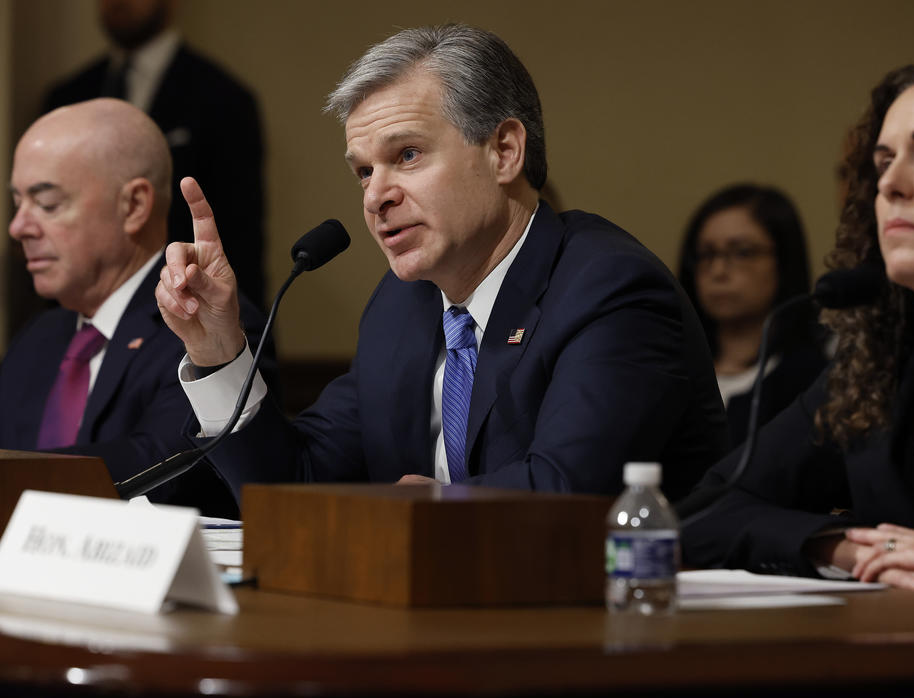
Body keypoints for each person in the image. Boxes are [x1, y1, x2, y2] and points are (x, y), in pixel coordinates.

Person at [156, 23, 729, 502]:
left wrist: (430, 506)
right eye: (363, 171)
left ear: (505, 151)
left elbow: (572, 492)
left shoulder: (608, 289)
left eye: (406, 155)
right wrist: (218, 351)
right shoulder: (401, 307)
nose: (375, 196)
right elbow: (295, 482)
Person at [681, 59, 914, 598]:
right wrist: (851, 550)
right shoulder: (878, 369)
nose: (893, 184)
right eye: (883, 161)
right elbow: (706, 511)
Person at [2, 98, 270, 517]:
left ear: (133, 206)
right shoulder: (38, 338)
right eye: (17, 202)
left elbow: (162, 463)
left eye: (47, 204)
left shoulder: (207, 326)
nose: (18, 227)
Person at [43, 0, 267, 311]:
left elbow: (241, 237)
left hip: (181, 313)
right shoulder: (67, 97)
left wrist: (244, 339)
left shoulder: (224, 99)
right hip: (77, 315)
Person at [677, 184, 829, 444]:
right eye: (706, 254)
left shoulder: (813, 381)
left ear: (783, 261)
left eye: (742, 252)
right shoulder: (671, 369)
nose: (718, 270)